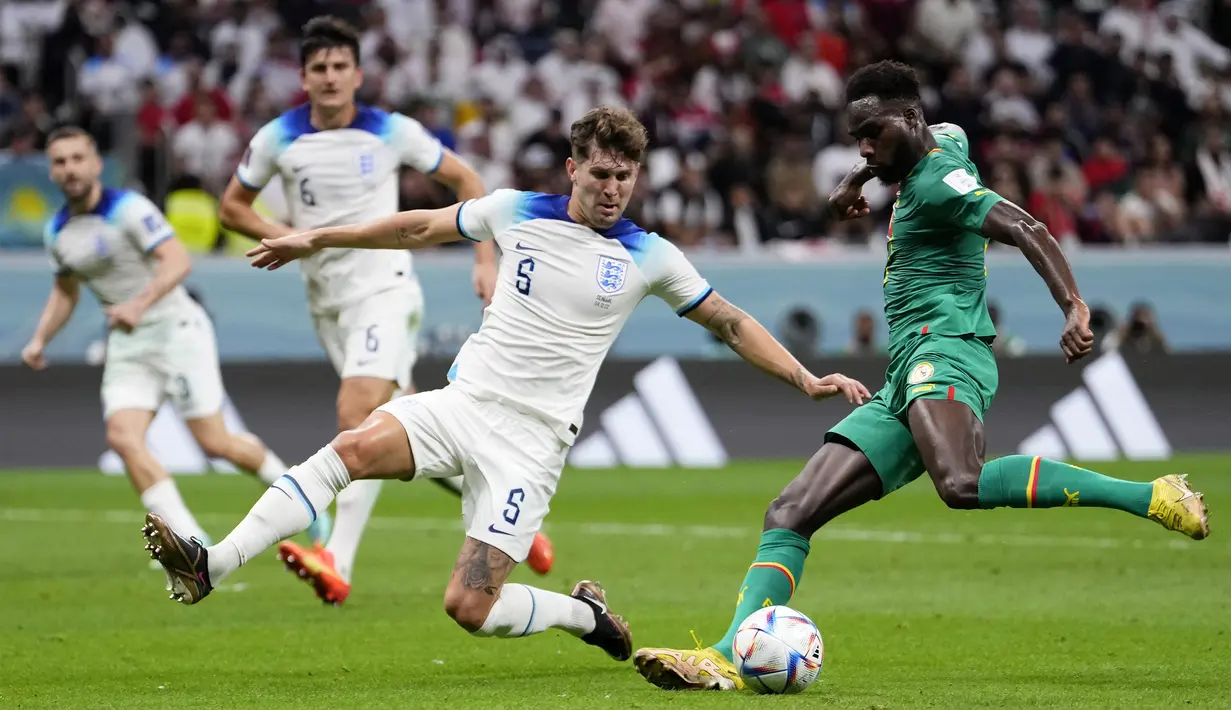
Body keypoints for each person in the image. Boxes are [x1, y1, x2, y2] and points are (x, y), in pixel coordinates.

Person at [141, 106, 870, 661]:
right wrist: (317, 236)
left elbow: (731, 322)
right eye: (600, 173)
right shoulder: (516, 210)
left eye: (625, 176)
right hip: (463, 404)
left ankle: (585, 614)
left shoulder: (650, 255)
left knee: (468, 607)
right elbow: (420, 226)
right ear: (572, 168)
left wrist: (805, 378)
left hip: (532, 443)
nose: (612, 188)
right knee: (351, 447)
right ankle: (212, 565)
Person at [632, 61, 1211, 691]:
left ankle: (1153, 495)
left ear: (907, 120)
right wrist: (857, 177)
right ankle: (725, 656)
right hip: (906, 371)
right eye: (857, 136)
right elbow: (943, 129)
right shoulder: (940, 141)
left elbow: (1025, 226)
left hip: (950, 351)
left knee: (959, 482)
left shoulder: (941, 183)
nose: (863, 147)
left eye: (871, 135)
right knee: (789, 512)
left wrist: (1072, 305)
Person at [216, 16, 553, 606]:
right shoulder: (279, 137)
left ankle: (336, 559)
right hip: (327, 301)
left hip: (386, 289)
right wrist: (292, 236)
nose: (329, 77)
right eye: (318, 68)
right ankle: (507, 504)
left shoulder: (391, 131)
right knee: (404, 426)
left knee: (357, 409)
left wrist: (484, 260)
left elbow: (466, 179)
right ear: (303, 76)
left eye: (340, 66)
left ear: (357, 74)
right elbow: (232, 207)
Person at [22, 126, 316, 551]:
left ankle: (302, 497)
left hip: (176, 329)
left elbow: (177, 262)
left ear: (95, 164)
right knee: (123, 437)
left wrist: (139, 304)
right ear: (51, 171)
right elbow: (66, 291)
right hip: (128, 343)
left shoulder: (128, 209)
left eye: (77, 158)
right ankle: (191, 539)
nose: (69, 169)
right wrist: (40, 338)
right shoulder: (58, 232)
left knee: (216, 442)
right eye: (60, 162)